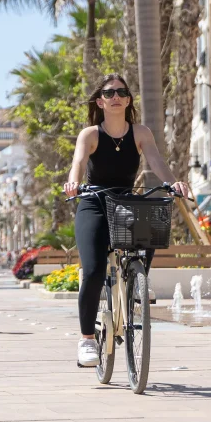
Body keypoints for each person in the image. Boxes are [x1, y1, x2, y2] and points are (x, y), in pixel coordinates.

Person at [63, 73, 189, 367]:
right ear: (100, 102)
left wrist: (173, 183)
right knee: (93, 270)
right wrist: (73, 183)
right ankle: (86, 339)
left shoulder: (141, 133)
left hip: (125, 201)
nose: (115, 97)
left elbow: (157, 161)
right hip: (94, 201)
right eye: (109, 93)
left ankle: (137, 279)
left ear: (129, 100)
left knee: (152, 222)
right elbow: (78, 162)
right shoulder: (91, 134)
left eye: (121, 92)